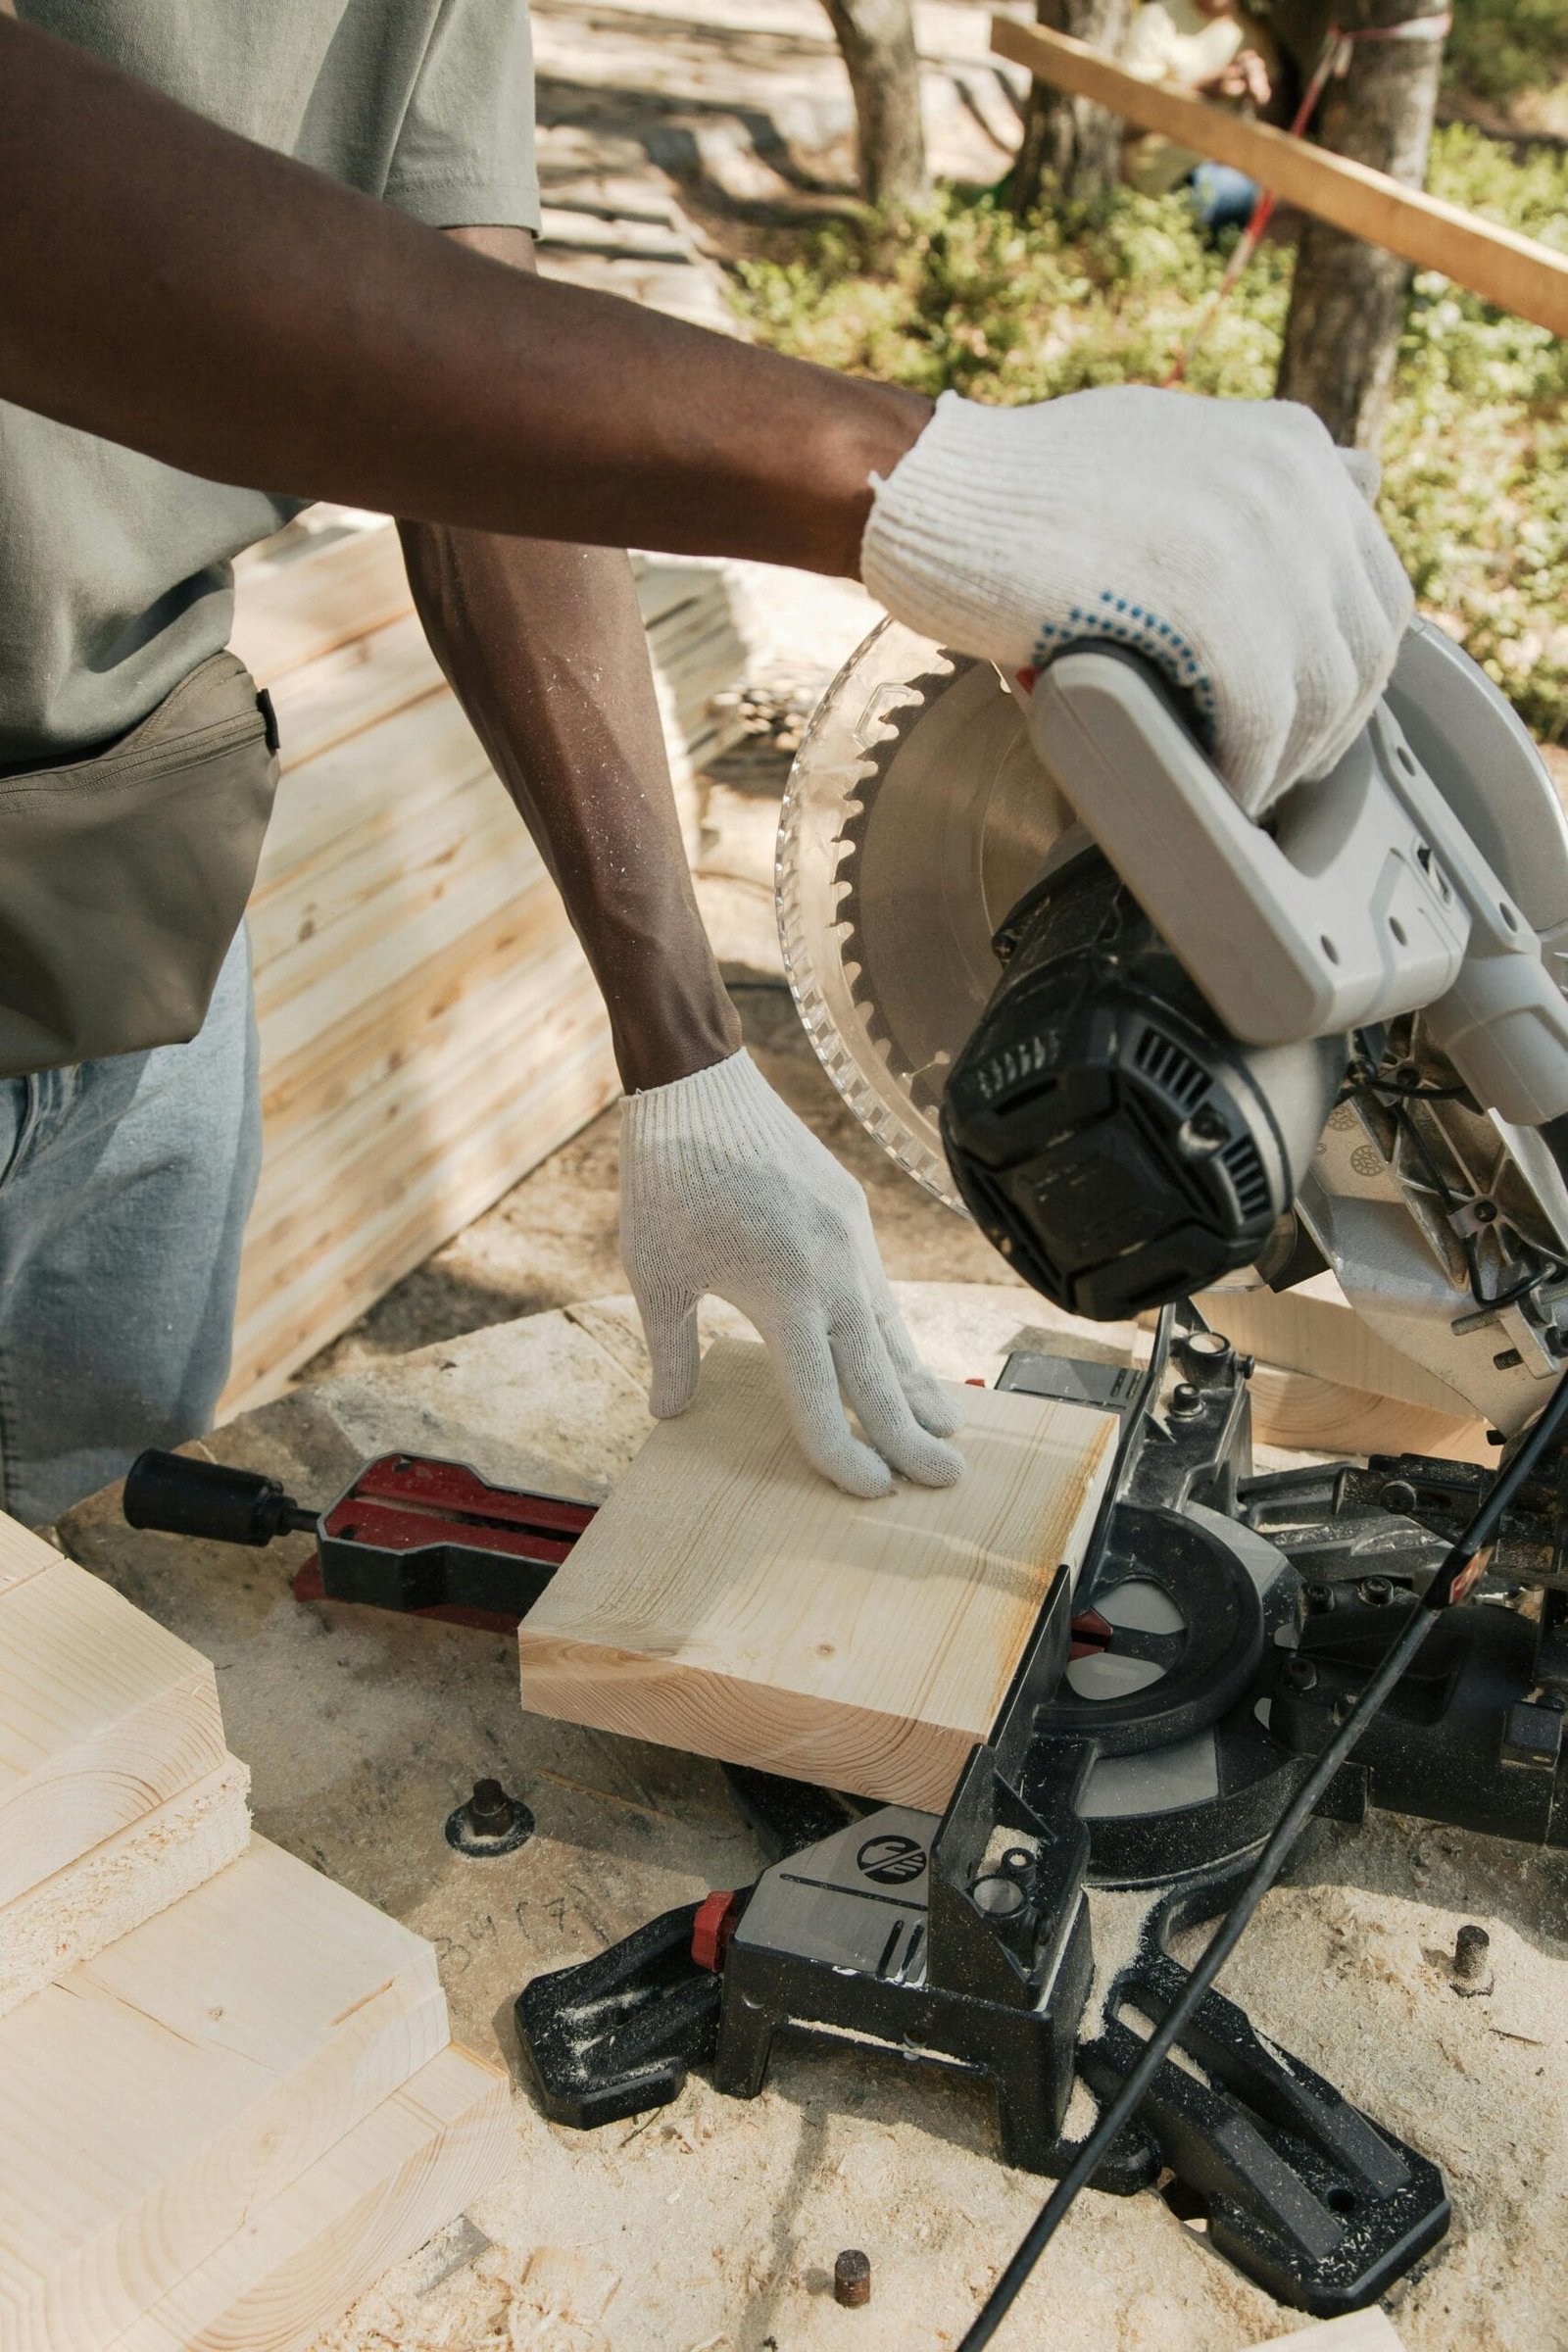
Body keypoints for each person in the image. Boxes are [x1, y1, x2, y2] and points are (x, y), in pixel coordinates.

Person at [0, 8, 1411, 1524]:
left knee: (88, 1592)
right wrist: (902, 473)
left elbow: (476, 398)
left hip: (139, 900)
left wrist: (689, 1061)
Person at [1121, 0, 1281, 232]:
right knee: (1257, 198)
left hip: (1229, 171)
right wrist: (1202, 91)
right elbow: (1123, 122)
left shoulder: (1252, 32)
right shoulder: (1158, 18)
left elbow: (1280, 123)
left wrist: (1261, 95)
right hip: (1167, 179)